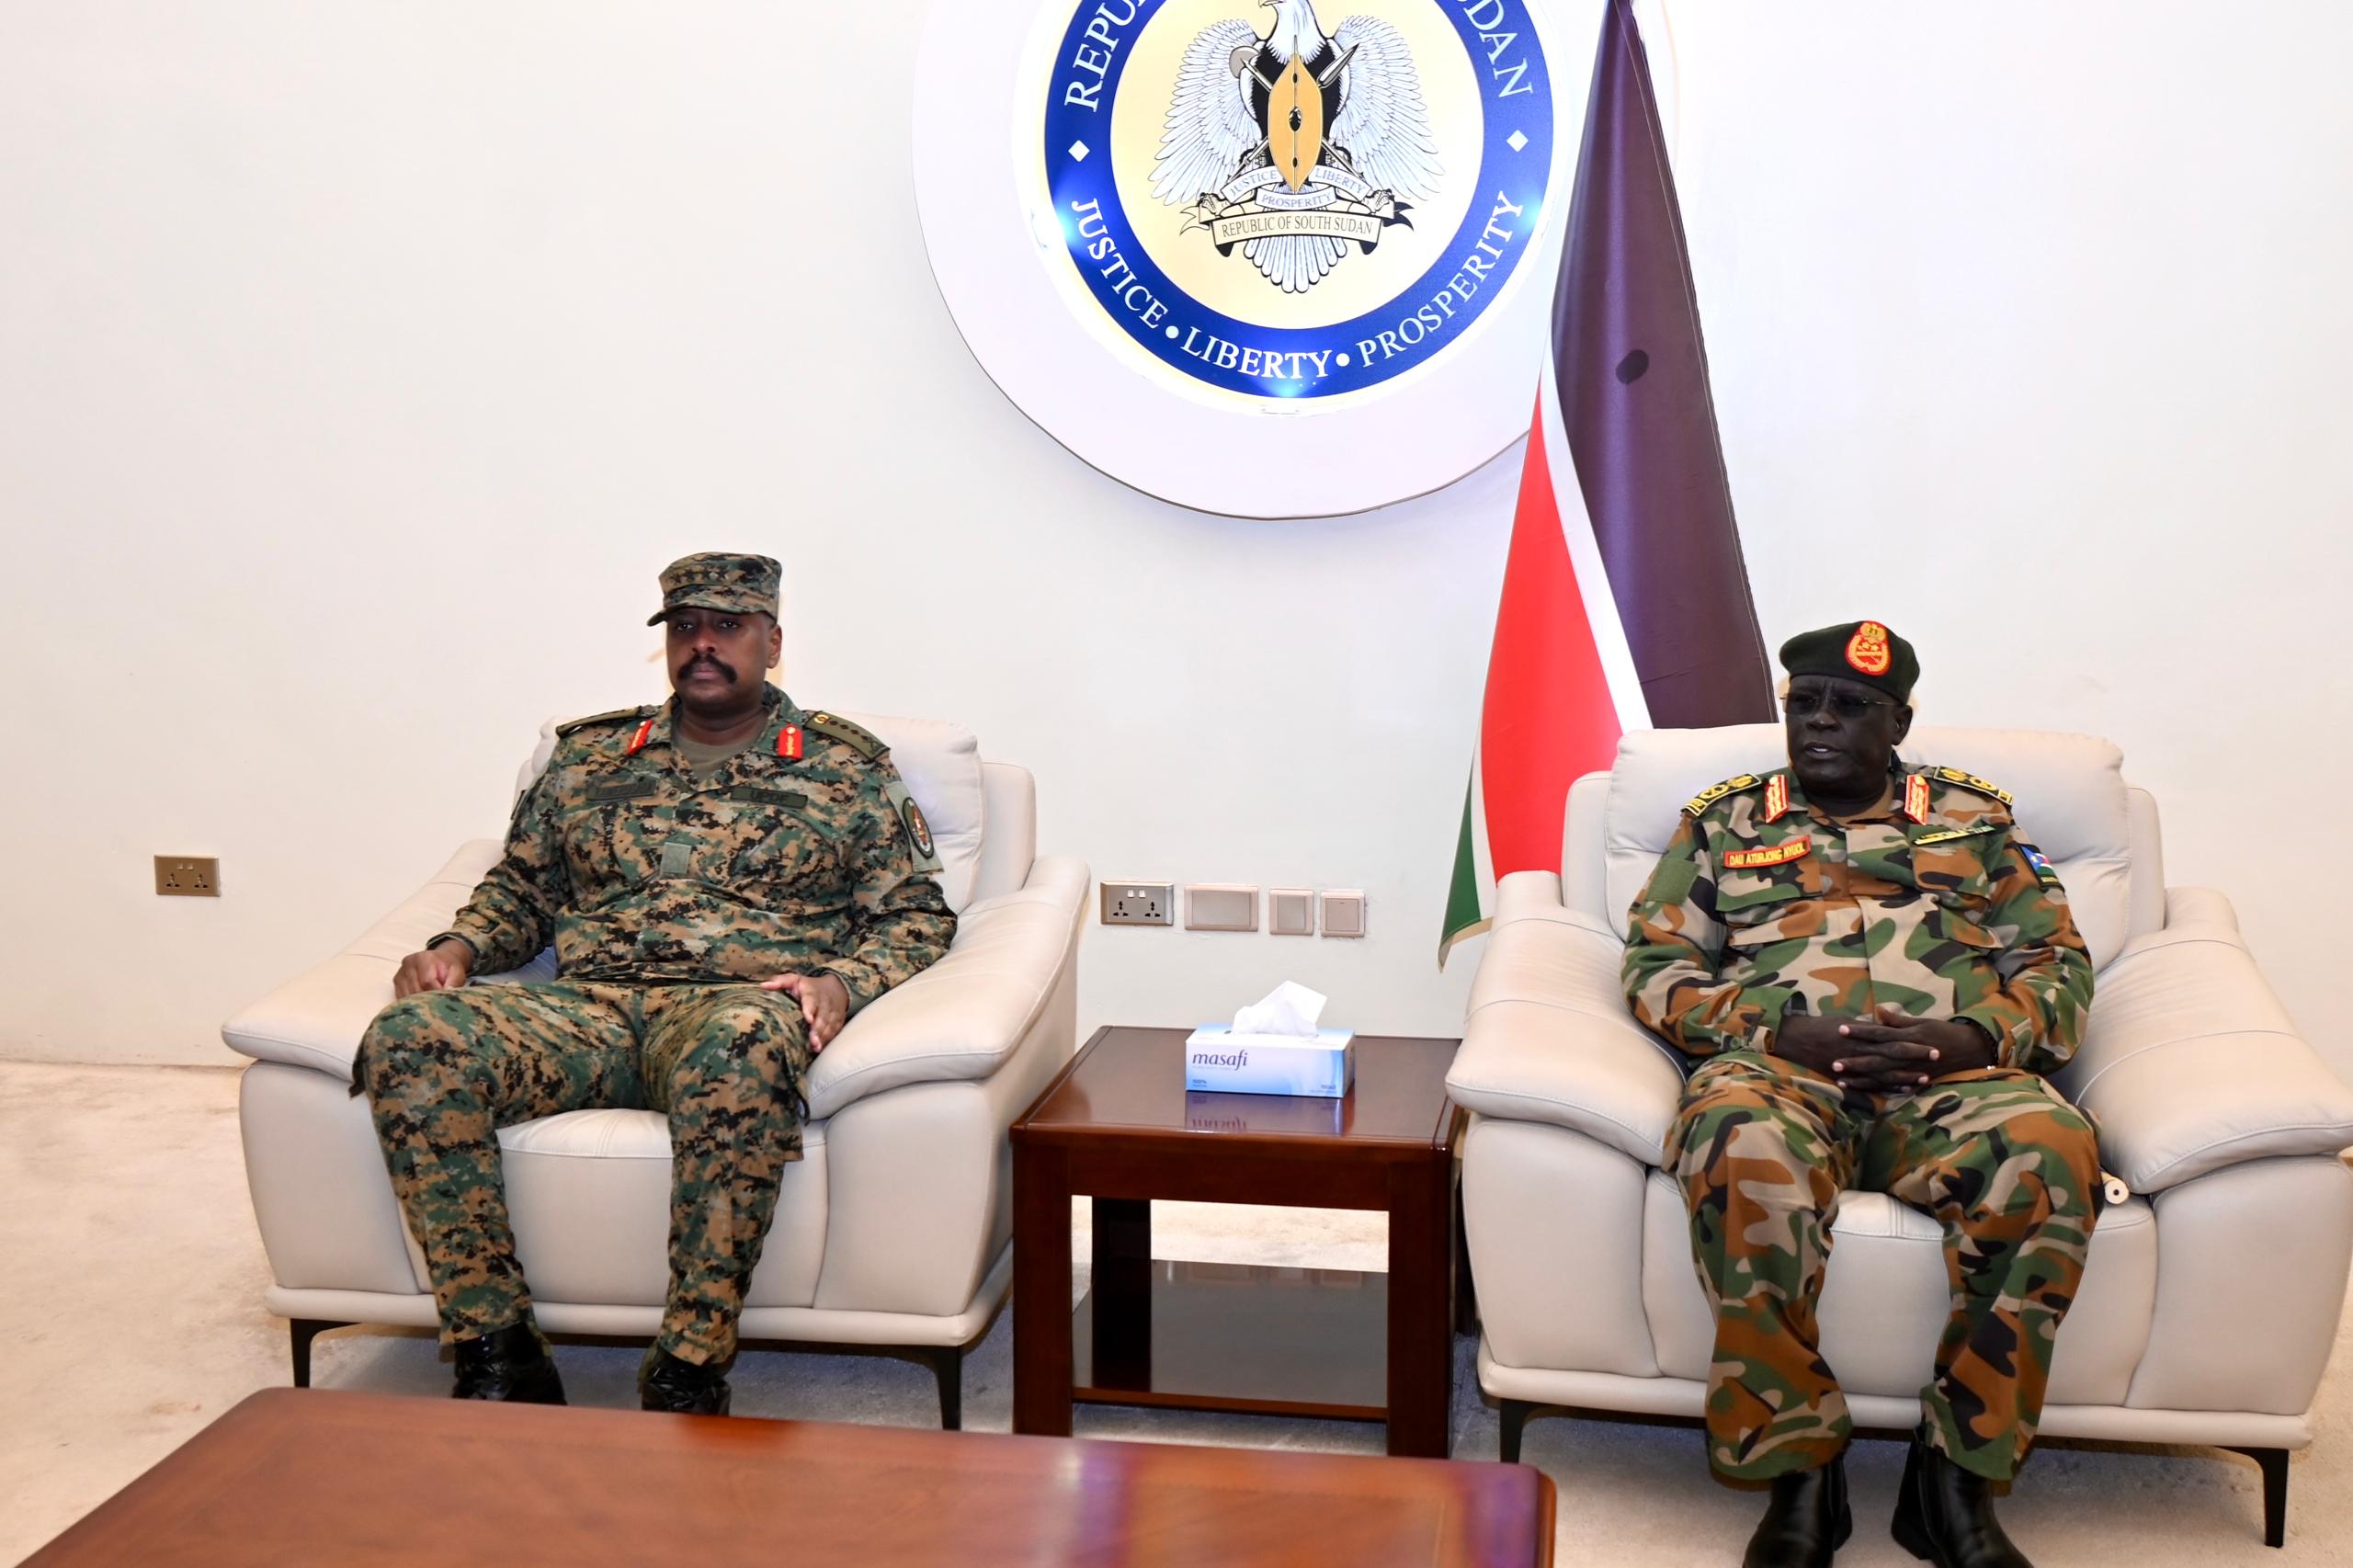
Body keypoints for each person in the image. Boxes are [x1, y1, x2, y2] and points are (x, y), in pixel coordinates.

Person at [357, 552, 955, 1415]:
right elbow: (521, 892)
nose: (702, 645)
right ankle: (497, 1350)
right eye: (685, 627)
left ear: (772, 642)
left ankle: (687, 1366)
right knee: (409, 1037)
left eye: (728, 627)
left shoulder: (842, 767)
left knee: (744, 1044)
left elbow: (914, 918)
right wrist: (459, 945)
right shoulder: (590, 757)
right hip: (586, 1011)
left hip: (730, 1010)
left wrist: (841, 982)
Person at [1621, 620, 2099, 1568]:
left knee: (2051, 1144)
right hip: (1780, 1076)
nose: (1819, 722)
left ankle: (1955, 1479)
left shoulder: (1974, 821)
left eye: (1850, 706)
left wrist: (1975, 1037)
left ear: (1898, 723)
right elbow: (1654, 967)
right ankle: (1800, 1470)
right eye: (1804, 703)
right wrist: (1770, 1028)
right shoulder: (1724, 822)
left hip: (1953, 1084)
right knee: (1736, 1139)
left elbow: (2057, 965)